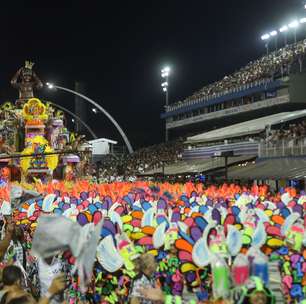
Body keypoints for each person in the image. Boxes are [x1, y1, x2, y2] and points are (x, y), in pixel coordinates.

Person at [0, 265, 66, 304]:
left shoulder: (6, 297)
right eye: (22, 277)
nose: (23, 281)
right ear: (18, 281)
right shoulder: (21, 297)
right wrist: (51, 291)